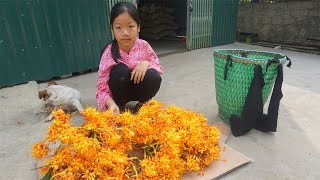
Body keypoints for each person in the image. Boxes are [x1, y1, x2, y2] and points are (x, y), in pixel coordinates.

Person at [96, 2, 163, 115]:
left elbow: (158, 66)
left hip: (140, 90)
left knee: (153, 76)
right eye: (118, 28)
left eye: (131, 26)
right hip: (119, 93)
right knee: (120, 71)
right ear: (112, 30)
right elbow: (101, 88)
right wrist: (111, 104)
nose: (125, 33)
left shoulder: (143, 45)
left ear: (138, 27)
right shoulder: (108, 53)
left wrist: (145, 63)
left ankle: (142, 103)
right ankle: (119, 105)